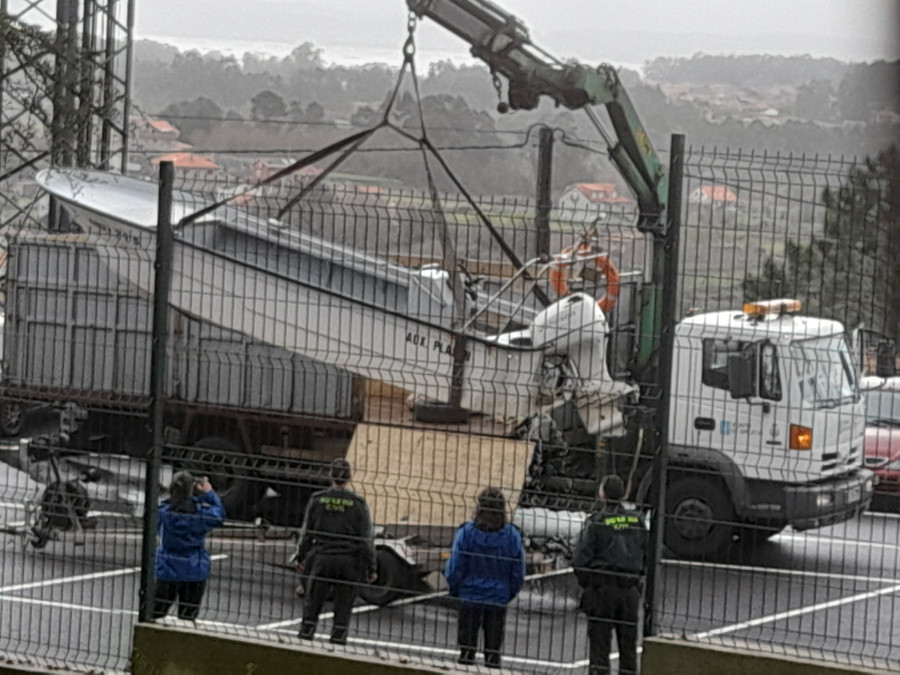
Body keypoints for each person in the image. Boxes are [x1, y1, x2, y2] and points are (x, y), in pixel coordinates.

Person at [292, 458, 377, 645]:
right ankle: (337, 644)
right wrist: (371, 566)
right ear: (349, 477)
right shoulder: (358, 503)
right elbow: (365, 539)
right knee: (343, 609)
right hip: (348, 561)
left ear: (330, 475)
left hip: (322, 557)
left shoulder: (317, 499)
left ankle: (305, 641)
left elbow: (307, 532)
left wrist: (301, 555)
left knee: (312, 605)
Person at [572, 474, 648, 675]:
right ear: (624, 493)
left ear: (602, 493)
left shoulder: (596, 522)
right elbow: (647, 553)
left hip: (602, 589)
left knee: (599, 648)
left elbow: (580, 559)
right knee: (628, 648)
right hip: (629, 589)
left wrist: (588, 584)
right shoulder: (636, 521)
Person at [444, 487, 526, 669]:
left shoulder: (466, 533)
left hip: (469, 596)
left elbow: (454, 567)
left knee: (466, 651)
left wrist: (456, 589)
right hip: (497, 598)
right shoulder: (512, 536)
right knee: (493, 653)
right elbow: (518, 572)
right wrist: (507, 593)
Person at [154, 471, 226, 621]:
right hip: (194, 569)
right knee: (187, 617)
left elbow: (153, 523)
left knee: (155, 613)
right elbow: (219, 514)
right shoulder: (200, 514)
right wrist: (208, 493)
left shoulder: (164, 513)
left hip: (167, 568)